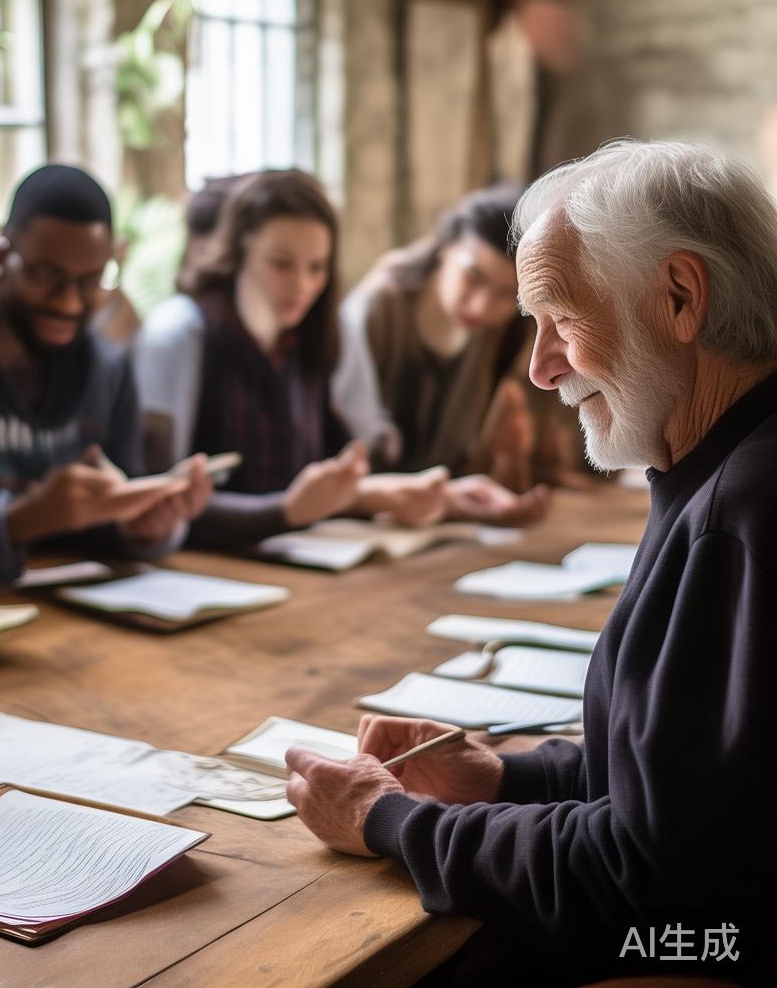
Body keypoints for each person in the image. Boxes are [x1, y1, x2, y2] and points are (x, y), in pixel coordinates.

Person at [286, 140, 777, 985]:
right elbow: (688, 780)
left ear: (680, 296)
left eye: (560, 319)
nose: (541, 366)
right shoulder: (717, 464)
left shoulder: (746, 509)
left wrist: (390, 819)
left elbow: (649, 890)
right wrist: (501, 774)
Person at [135, 169, 549, 550]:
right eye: (281, 264)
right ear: (238, 250)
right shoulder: (179, 333)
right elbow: (159, 503)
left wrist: (422, 496)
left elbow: (337, 474)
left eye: (317, 268)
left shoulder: (320, 332)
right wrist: (289, 511)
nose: (301, 285)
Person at [0, 164, 213, 587]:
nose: (68, 303)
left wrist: (141, 526)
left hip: (78, 619)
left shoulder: (105, 363)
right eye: (45, 276)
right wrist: (23, 519)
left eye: (89, 281)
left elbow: (115, 515)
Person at [337, 184, 579, 490]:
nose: (482, 305)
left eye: (507, 294)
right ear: (446, 246)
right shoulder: (380, 309)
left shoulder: (507, 331)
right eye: (473, 277)